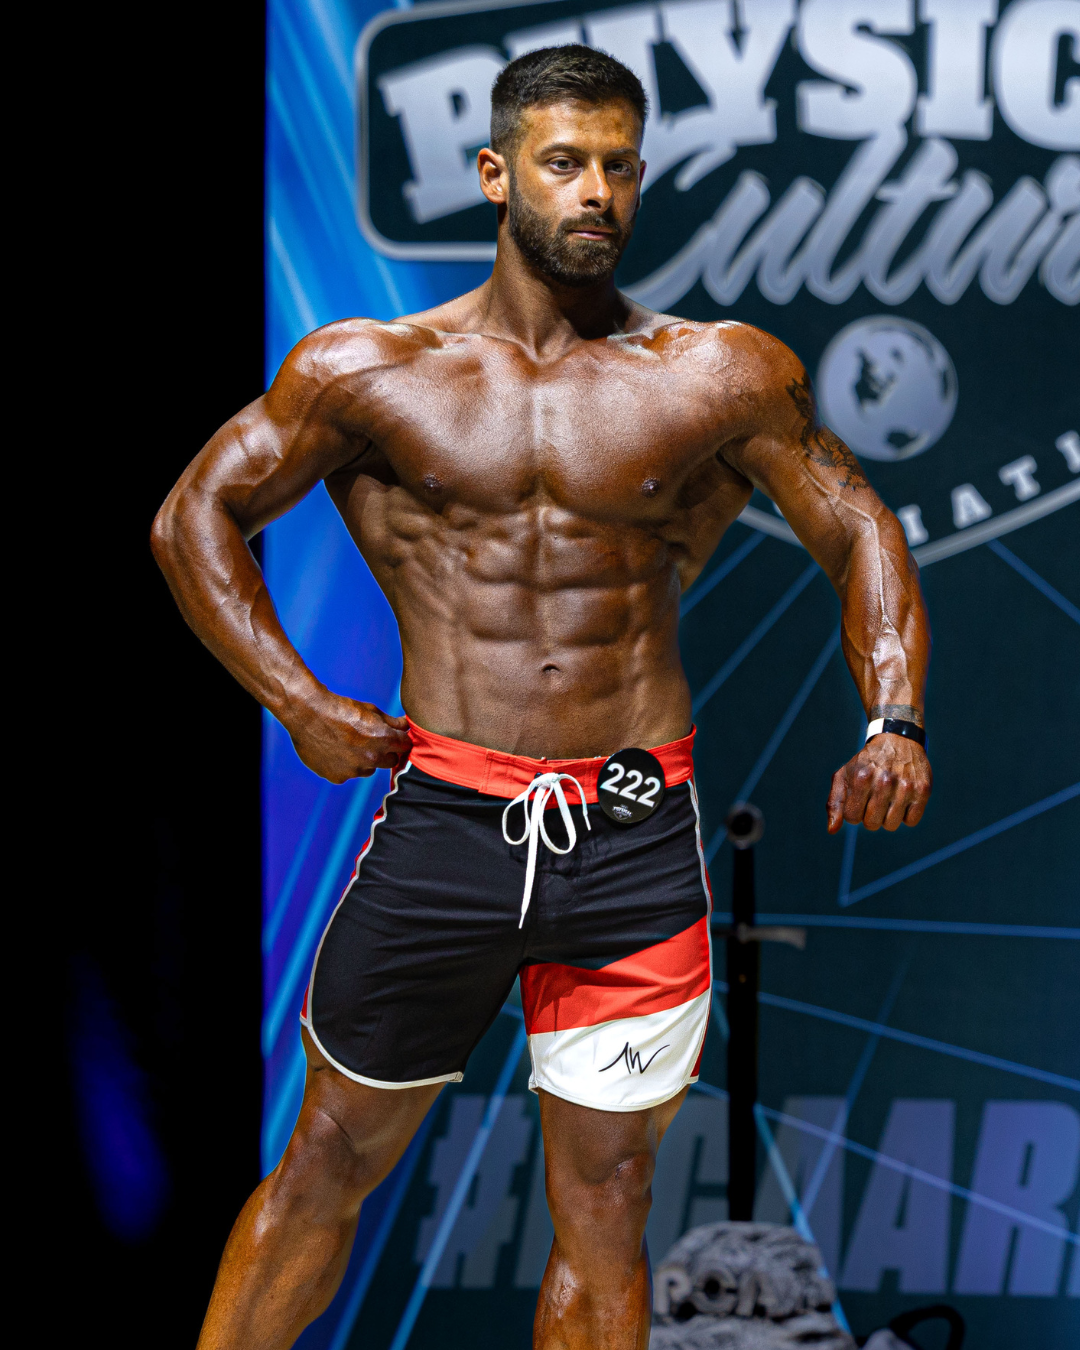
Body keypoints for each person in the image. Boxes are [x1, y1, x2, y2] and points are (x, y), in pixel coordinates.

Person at [152, 44, 932, 1350]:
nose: (598, 192)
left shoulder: (714, 373)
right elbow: (195, 518)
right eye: (566, 162)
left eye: (620, 165)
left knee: (609, 1204)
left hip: (630, 832)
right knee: (326, 1163)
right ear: (495, 172)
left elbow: (855, 526)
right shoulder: (373, 370)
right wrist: (294, 698)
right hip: (448, 824)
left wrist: (893, 714)